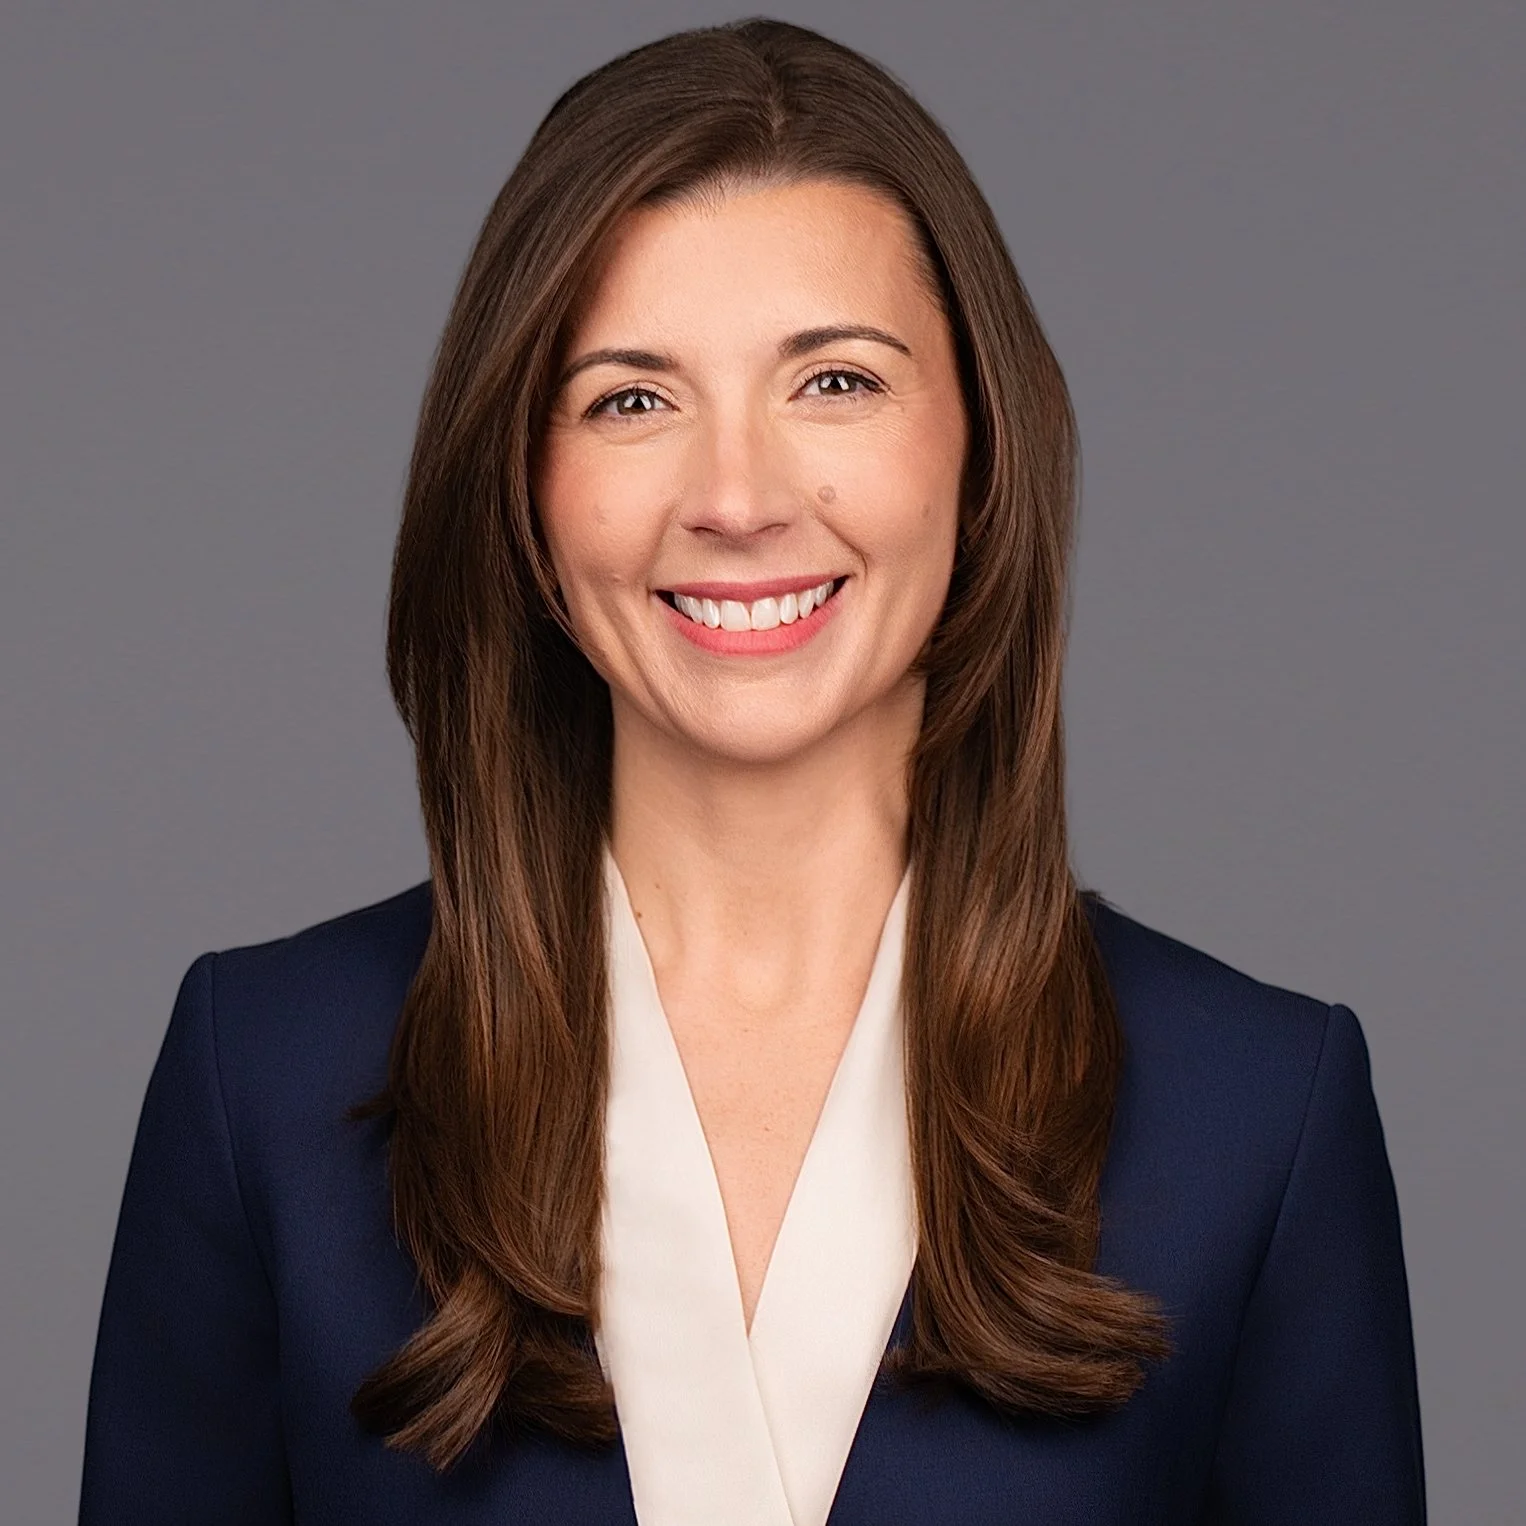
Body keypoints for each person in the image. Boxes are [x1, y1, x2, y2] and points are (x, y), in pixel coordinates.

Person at [79, 18, 1425, 1525]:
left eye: (835, 382)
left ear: (981, 451)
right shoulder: (263, 1075)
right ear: (524, 499)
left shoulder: (1257, 1107)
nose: (734, 498)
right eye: (630, 399)